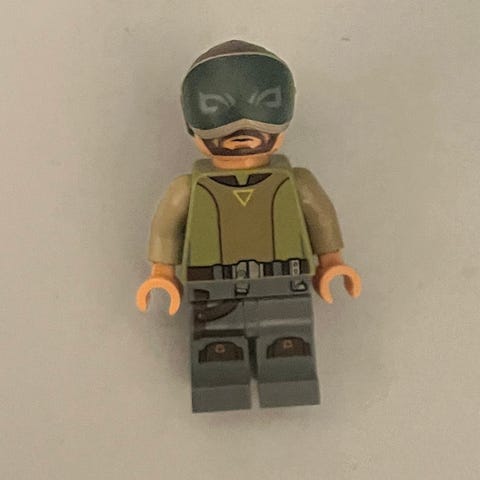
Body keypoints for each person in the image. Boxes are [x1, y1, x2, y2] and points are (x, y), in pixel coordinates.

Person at [136, 40, 362, 412]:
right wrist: (162, 273)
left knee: (288, 346)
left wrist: (331, 262)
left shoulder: (297, 182)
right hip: (213, 286)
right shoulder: (187, 189)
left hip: (284, 280)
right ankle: (220, 385)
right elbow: (166, 227)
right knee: (216, 352)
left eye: (266, 106)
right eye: (216, 110)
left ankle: (288, 382)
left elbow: (320, 216)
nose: (242, 130)